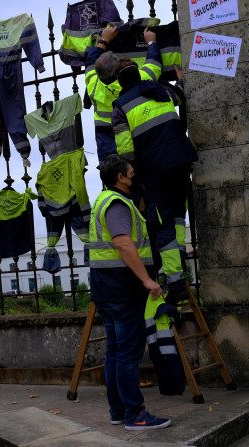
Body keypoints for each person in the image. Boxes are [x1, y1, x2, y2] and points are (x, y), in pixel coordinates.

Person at [89, 154, 172, 431]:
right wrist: (148, 280)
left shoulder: (105, 199)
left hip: (108, 287)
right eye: (132, 172)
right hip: (122, 288)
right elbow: (124, 244)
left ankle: (119, 410)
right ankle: (135, 414)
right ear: (120, 178)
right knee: (127, 354)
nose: (136, 175)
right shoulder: (116, 204)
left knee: (115, 351)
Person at [111, 60, 198, 303]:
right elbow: (180, 96)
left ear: (119, 83)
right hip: (181, 162)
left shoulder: (120, 107)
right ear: (138, 74)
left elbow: (126, 153)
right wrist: (179, 79)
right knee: (178, 214)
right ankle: (179, 259)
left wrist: (135, 182)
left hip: (155, 171)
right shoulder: (160, 88)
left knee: (163, 225)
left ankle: (176, 283)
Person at [85, 26, 162, 163]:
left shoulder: (93, 83)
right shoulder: (135, 81)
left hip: (106, 142)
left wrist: (103, 40)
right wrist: (151, 42)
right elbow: (153, 65)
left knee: (113, 178)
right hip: (132, 137)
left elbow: (90, 61)